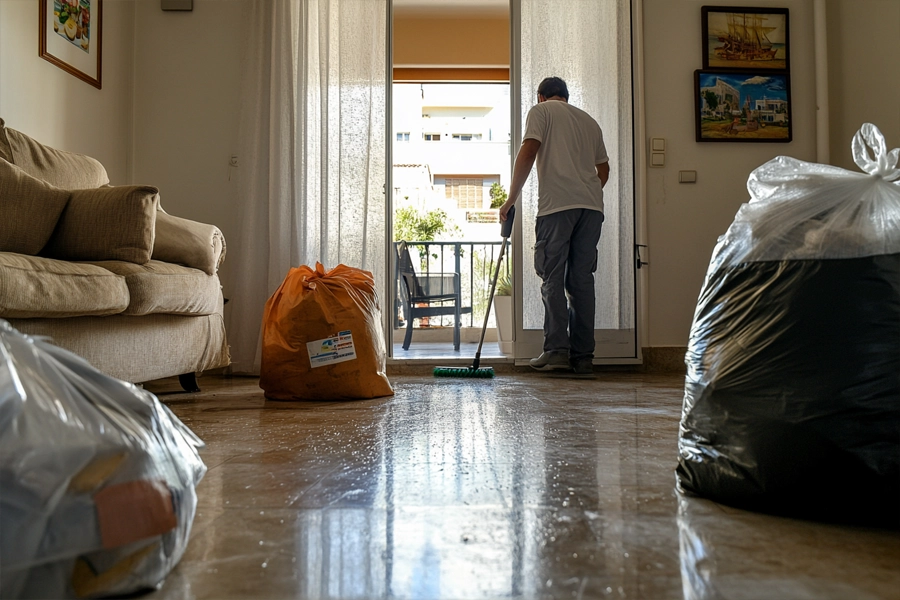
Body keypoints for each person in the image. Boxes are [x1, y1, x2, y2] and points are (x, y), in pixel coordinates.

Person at [499, 76, 610, 375]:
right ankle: (584, 358)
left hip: (557, 207)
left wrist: (511, 198)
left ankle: (557, 353)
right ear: (566, 96)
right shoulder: (589, 121)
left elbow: (529, 149)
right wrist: (586, 190)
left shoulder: (541, 112)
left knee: (552, 278)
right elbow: (604, 169)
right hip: (591, 209)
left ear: (541, 96)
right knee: (582, 281)